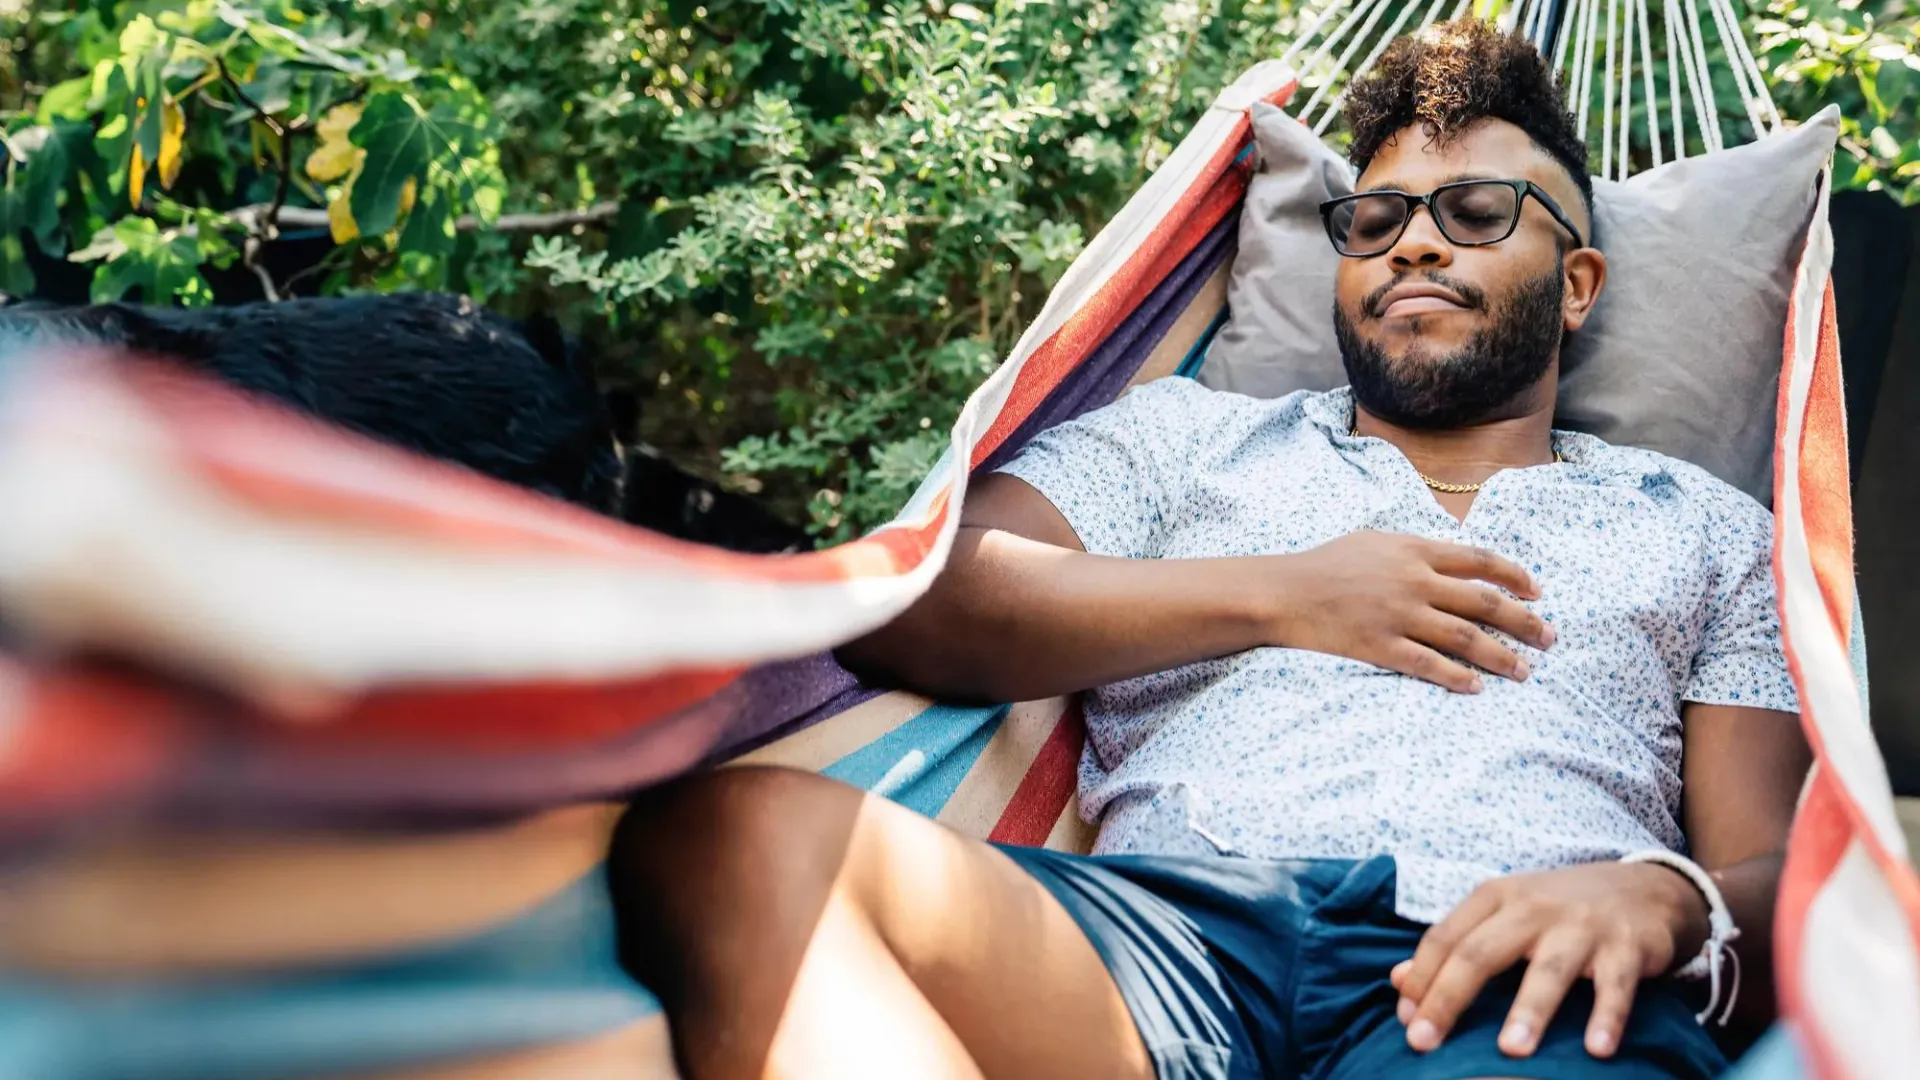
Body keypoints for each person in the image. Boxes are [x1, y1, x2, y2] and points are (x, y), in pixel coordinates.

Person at [608, 20, 1809, 1080]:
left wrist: (1667, 902)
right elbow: (924, 600)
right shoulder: (1186, 439)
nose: (1415, 246)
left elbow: (1781, 876)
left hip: (1509, 963)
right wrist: (1287, 595)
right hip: (1161, 939)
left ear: (1579, 284)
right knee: (738, 840)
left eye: (1476, 214)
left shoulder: (1705, 529)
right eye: (1376, 220)